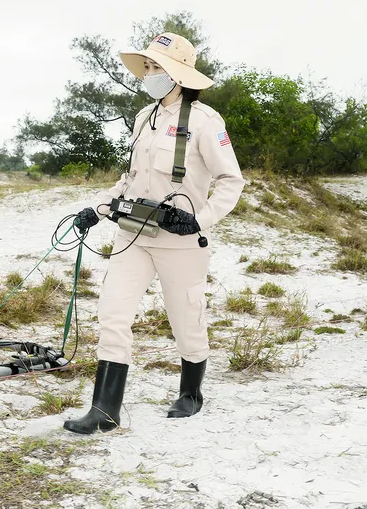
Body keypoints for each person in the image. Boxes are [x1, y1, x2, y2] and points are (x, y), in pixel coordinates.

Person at [63, 32, 245, 435]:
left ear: (178, 74)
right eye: (146, 66)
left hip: (181, 242)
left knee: (186, 319)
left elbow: (231, 181)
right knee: (112, 312)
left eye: (157, 67)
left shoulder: (205, 122)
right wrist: (99, 207)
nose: (149, 74)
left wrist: (200, 219)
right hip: (134, 235)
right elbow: (131, 177)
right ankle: (104, 411)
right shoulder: (144, 117)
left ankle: (191, 394)